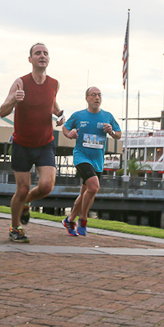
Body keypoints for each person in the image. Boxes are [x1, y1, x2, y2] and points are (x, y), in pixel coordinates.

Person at [0, 43, 64, 243]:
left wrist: (60, 115)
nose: (42, 56)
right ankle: (15, 228)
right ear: (30, 59)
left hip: (45, 143)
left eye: (45, 53)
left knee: (46, 186)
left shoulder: (54, 84)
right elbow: (2, 111)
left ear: (48, 59)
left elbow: (52, 103)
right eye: (37, 53)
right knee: (22, 188)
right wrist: (15, 101)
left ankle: (27, 202)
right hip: (22, 144)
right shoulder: (20, 83)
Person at [61, 86, 122, 236]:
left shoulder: (107, 116)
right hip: (81, 156)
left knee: (85, 193)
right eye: (93, 95)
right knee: (94, 187)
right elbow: (65, 128)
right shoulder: (78, 115)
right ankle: (83, 219)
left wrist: (111, 132)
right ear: (87, 98)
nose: (97, 98)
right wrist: (70, 134)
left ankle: (70, 220)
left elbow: (118, 134)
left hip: (97, 160)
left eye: (99, 95)